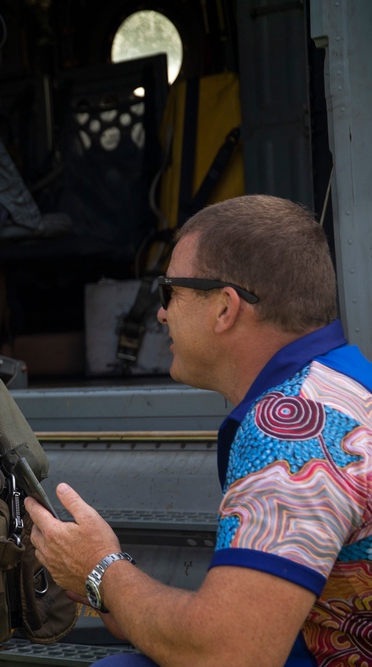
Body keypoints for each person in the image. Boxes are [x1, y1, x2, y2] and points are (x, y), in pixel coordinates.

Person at [24, 194, 372, 666]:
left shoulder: (295, 432)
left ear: (225, 308)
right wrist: (101, 582)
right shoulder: (343, 384)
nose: (161, 313)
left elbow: (229, 652)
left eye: (170, 292)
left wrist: (101, 568)